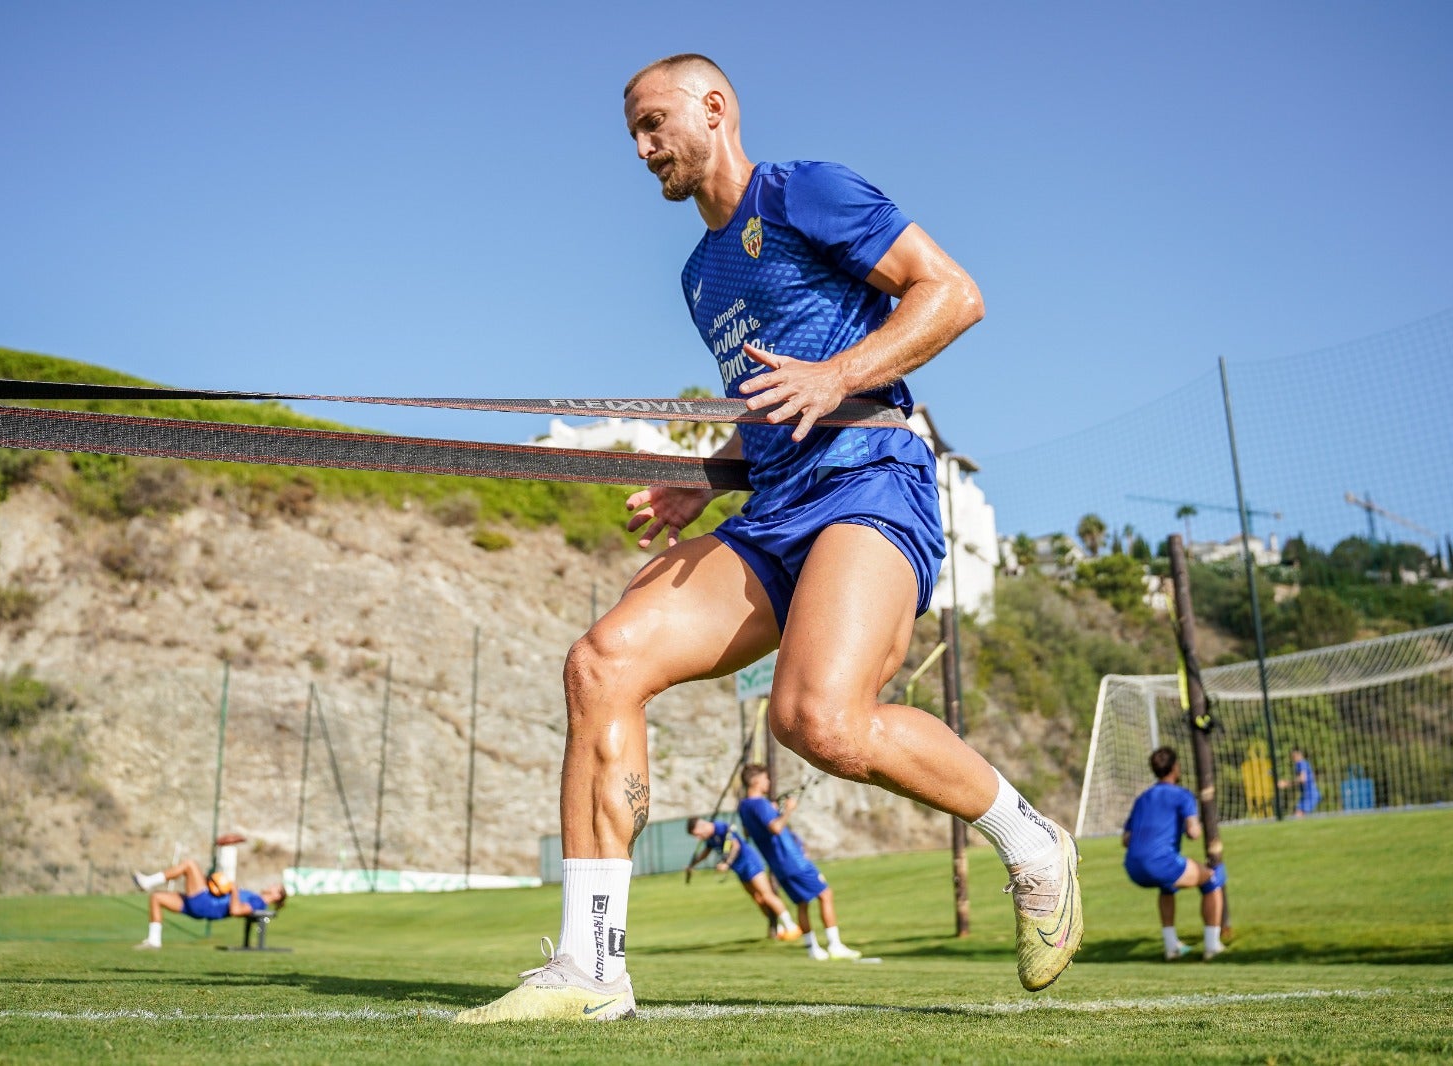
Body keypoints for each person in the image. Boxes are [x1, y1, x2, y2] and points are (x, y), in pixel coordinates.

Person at [455, 53, 1081, 1024]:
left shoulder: (803, 194)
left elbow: (952, 293)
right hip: (772, 511)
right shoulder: (699, 274)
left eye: (655, 122)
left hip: (871, 483)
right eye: (631, 132)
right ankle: (592, 965)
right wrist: (700, 484)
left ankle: (1033, 841)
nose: (641, 147)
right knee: (601, 662)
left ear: (714, 108)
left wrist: (838, 376)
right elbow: (771, 410)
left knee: (818, 721)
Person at [736, 764, 859, 960]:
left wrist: (773, 811)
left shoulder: (743, 806)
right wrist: (788, 811)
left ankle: (813, 949)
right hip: (792, 860)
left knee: (802, 903)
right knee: (825, 894)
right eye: (766, 779)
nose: (768, 782)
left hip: (778, 865)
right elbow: (775, 828)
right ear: (757, 781)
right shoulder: (760, 804)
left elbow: (748, 832)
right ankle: (835, 945)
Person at [1122, 748, 1226, 960]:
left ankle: (1172, 947)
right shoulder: (1182, 795)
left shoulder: (1143, 798)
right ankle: (1212, 944)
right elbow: (1194, 833)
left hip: (1132, 866)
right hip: (1160, 863)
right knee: (1213, 877)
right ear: (1175, 767)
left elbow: (1125, 839)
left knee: (1167, 887)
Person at [130, 834, 285, 949]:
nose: (272, 885)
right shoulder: (255, 895)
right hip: (202, 902)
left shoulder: (258, 903)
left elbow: (236, 910)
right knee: (157, 898)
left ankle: (147, 882)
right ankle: (154, 940)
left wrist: (233, 889)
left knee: (189, 864)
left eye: (275, 887)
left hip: (206, 904)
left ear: (277, 896)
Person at [685, 813, 802, 941]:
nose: (698, 838)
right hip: (739, 869)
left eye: (697, 834)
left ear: (702, 826)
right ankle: (777, 928)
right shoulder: (710, 837)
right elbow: (705, 852)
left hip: (749, 863)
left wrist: (726, 863)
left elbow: (735, 846)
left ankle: (791, 926)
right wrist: (692, 865)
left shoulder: (721, 828)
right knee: (758, 899)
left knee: (766, 895)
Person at [1278, 747, 1321, 817]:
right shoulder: (1304, 764)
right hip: (1308, 794)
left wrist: (1286, 783)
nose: (1292, 758)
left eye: (1293, 756)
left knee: (1298, 815)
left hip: (1310, 794)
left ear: (1299, 755)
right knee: (1298, 814)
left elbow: (1302, 779)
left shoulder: (1301, 763)